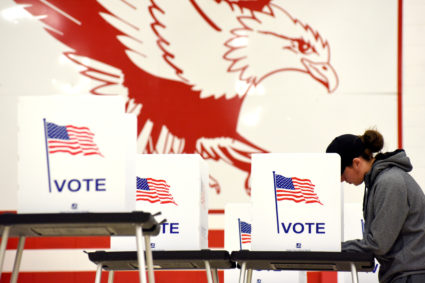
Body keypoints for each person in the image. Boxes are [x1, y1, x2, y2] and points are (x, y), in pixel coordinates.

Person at [326, 129, 425, 283]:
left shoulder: (390, 182)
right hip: (404, 273)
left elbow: (378, 244)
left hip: (411, 275)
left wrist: (332, 247)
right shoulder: (378, 181)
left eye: (343, 174)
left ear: (356, 163)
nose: (342, 180)